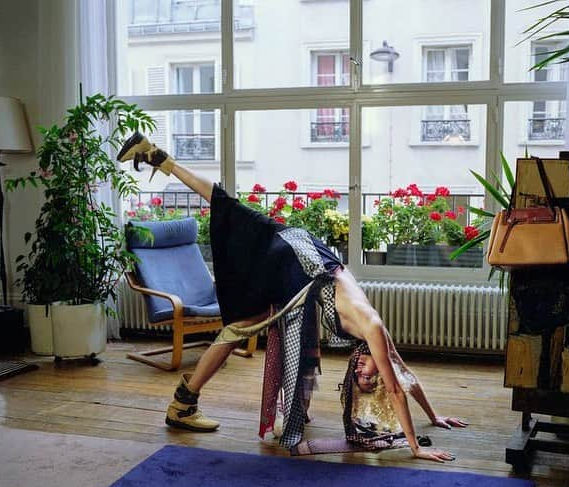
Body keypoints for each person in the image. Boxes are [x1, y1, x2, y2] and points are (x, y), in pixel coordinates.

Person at [117, 132, 466, 463]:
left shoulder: (374, 337)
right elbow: (395, 386)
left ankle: (159, 158)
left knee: (230, 212)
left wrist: (434, 416)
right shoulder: (372, 329)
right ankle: (185, 403)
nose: (363, 370)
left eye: (358, 375)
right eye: (368, 374)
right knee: (242, 315)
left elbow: (403, 373)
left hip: (302, 250)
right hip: (301, 263)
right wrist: (415, 446)